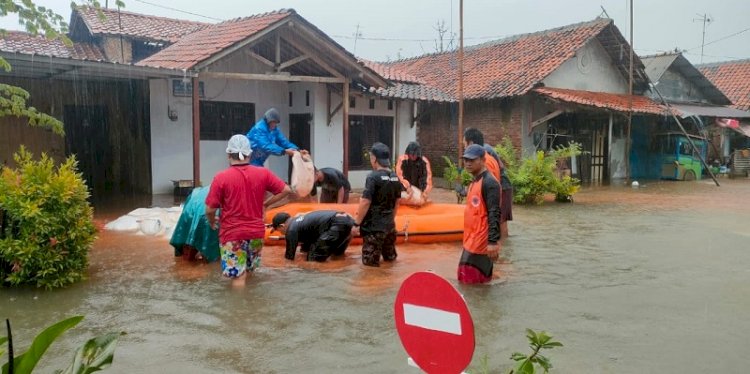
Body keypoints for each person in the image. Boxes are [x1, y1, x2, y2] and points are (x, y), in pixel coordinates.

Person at [205, 134, 292, 285]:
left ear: (228, 154)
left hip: (233, 234)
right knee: (250, 272)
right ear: (249, 154)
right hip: (256, 233)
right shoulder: (262, 173)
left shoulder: (221, 178)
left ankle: (239, 308)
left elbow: (210, 209)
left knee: (238, 276)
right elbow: (286, 190)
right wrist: (266, 204)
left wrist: (212, 222)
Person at [353, 142, 403, 267]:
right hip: (390, 228)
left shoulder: (373, 177)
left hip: (374, 229)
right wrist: (389, 219)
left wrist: (356, 223)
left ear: (374, 158)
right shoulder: (396, 178)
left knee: (370, 268)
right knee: (390, 261)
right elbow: (397, 202)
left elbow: (365, 202)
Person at [458, 144, 501, 284]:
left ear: (483, 160)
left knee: (469, 281)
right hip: (470, 240)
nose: (468, 163)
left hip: (481, 243)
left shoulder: (490, 183)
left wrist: (493, 242)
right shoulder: (475, 181)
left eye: (472, 160)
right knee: (469, 282)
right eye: (465, 160)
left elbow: (494, 213)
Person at [463, 127, 513, 238]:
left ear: (470, 143)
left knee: (500, 220)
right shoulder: (484, 154)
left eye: (464, 144)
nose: (464, 148)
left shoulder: (485, 158)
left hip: (502, 186)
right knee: (499, 220)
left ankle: (501, 246)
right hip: (500, 183)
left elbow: (491, 183)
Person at [271, 210, 355, 262]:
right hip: (347, 221)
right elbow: (308, 246)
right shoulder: (301, 222)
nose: (283, 234)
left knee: (313, 258)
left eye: (280, 231)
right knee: (336, 256)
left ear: (281, 226)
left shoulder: (291, 230)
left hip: (337, 224)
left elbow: (289, 257)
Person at [395, 141, 433, 205]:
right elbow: (399, 176)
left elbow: (427, 179)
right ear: (408, 153)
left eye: (415, 154)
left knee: (419, 201)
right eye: (411, 154)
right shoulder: (402, 160)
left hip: (417, 189)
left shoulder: (424, 162)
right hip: (403, 188)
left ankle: (421, 200)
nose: (413, 156)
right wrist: (407, 187)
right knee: (396, 197)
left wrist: (424, 192)